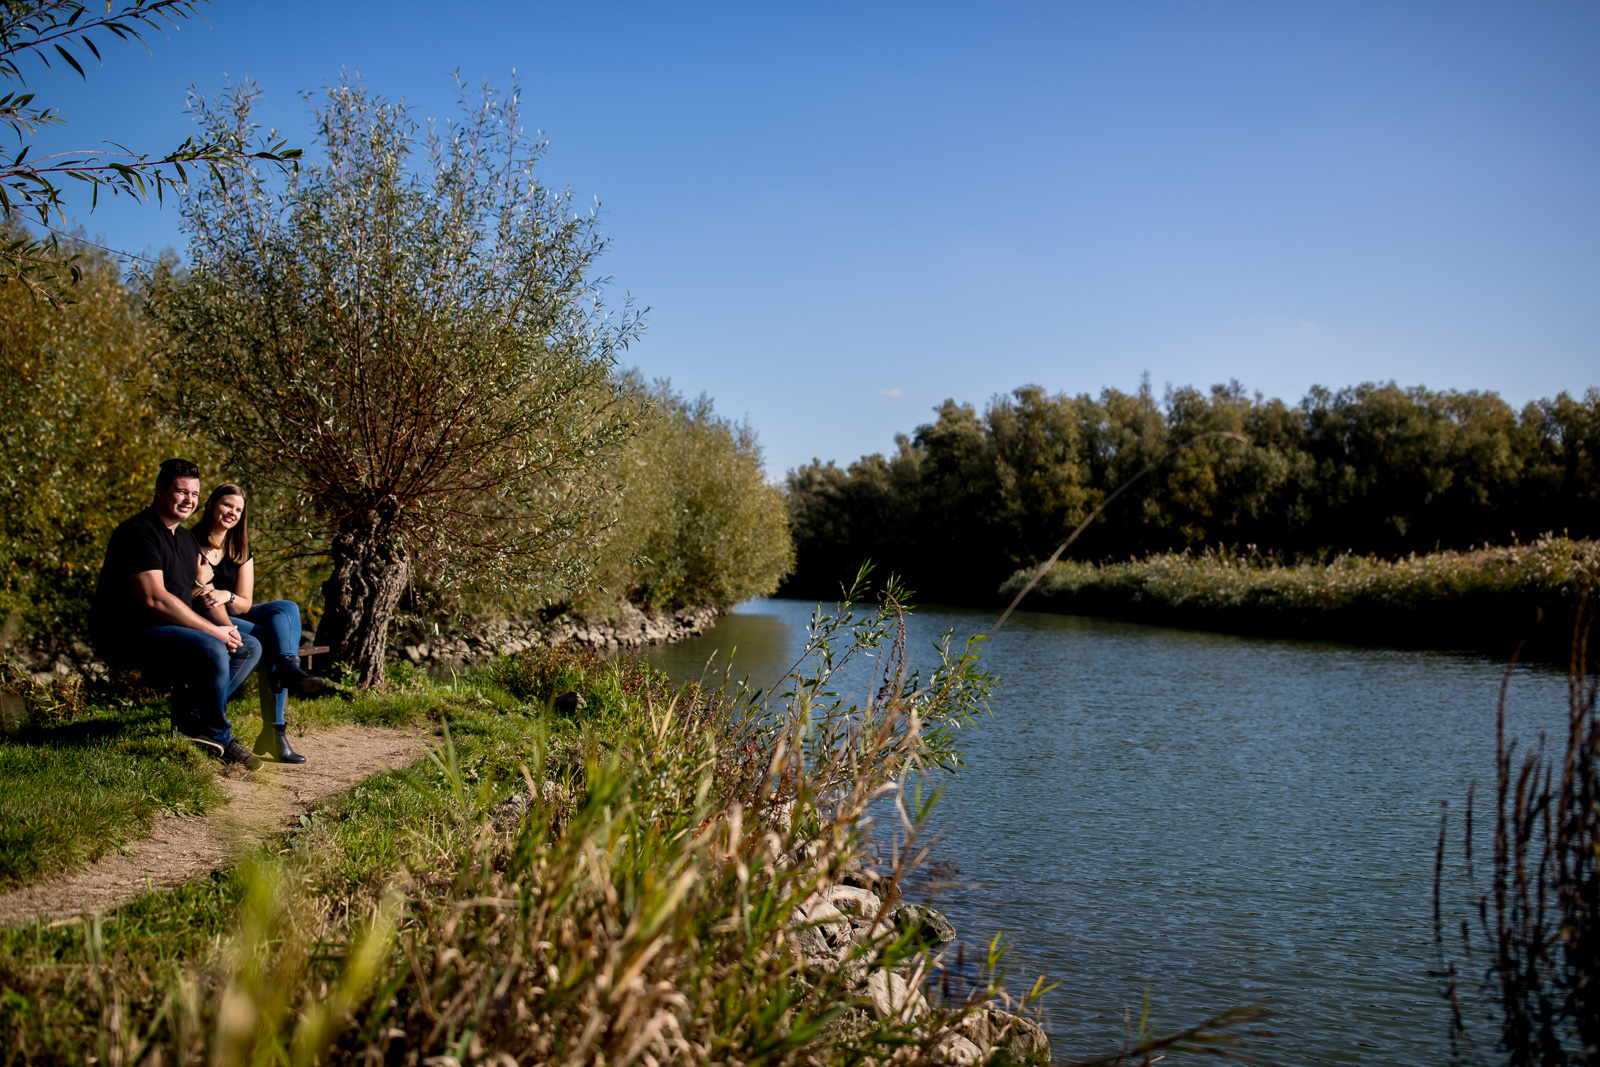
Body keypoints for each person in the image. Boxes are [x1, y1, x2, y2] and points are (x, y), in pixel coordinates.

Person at [88, 459, 264, 769]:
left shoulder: (185, 540)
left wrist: (226, 628)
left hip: (172, 630)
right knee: (211, 646)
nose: (189, 501)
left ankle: (193, 720)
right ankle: (219, 735)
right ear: (159, 491)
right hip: (129, 633)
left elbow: (202, 593)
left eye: (194, 494)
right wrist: (214, 633)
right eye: (181, 492)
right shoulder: (137, 532)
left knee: (248, 645)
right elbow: (155, 599)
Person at [190, 483, 324, 764]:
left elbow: (245, 603)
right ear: (212, 504)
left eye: (238, 509)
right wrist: (212, 592)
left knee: (286, 608)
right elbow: (190, 594)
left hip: (232, 612)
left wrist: (226, 594)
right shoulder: (189, 543)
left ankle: (288, 666)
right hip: (201, 618)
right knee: (268, 638)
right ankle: (275, 733)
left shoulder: (238, 548)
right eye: (227, 505)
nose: (232, 513)